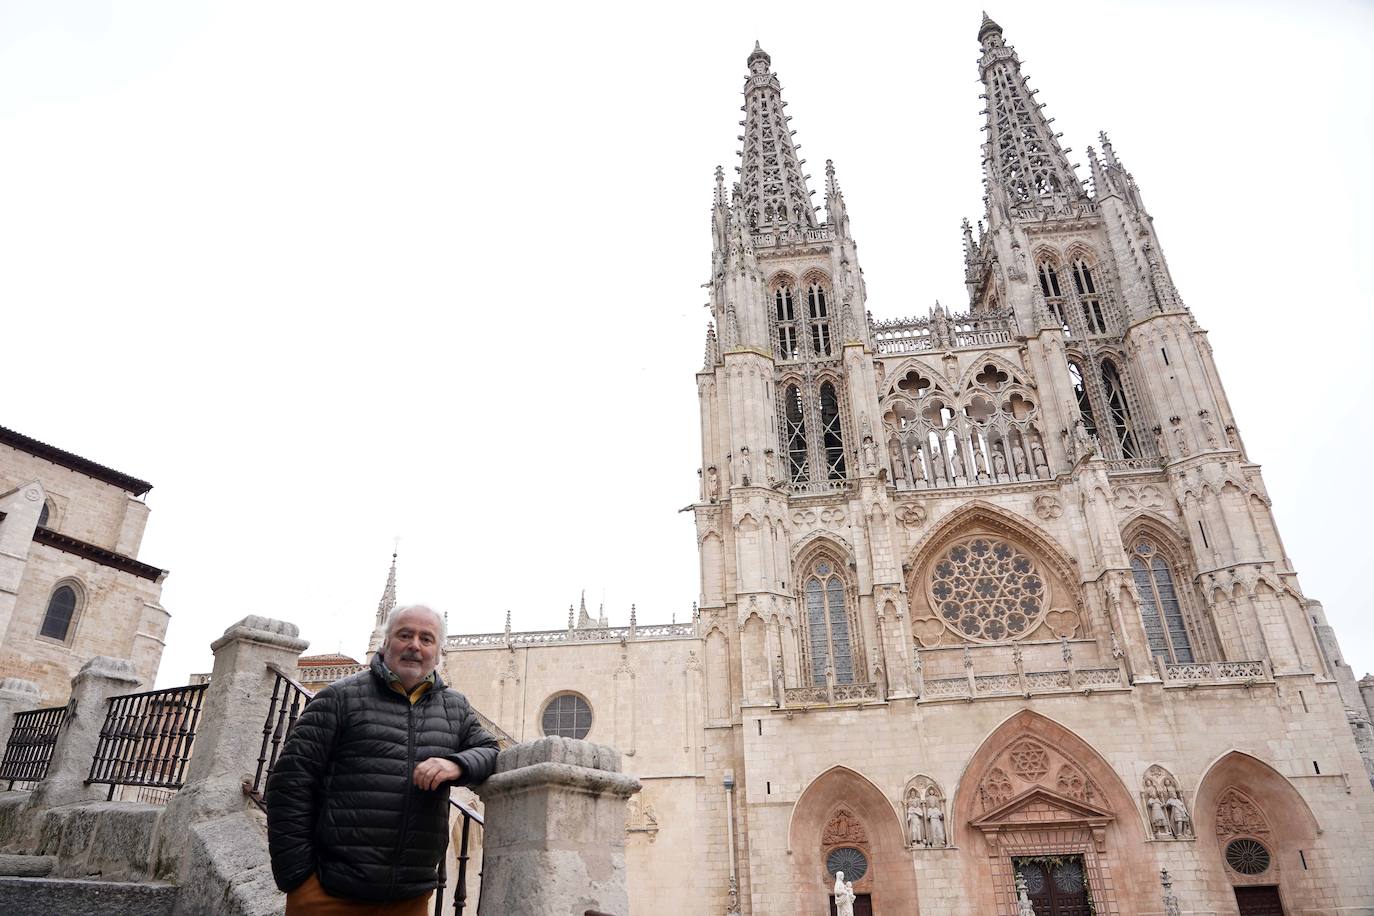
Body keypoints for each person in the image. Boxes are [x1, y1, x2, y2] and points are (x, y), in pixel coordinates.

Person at [267, 604, 500, 915]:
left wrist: (457, 764)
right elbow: (289, 784)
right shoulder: (340, 697)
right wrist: (297, 877)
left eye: (426, 638)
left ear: (439, 651)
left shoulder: (454, 708)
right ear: (385, 641)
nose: (415, 645)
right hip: (330, 892)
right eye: (405, 635)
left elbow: (490, 750)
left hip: (409, 897)